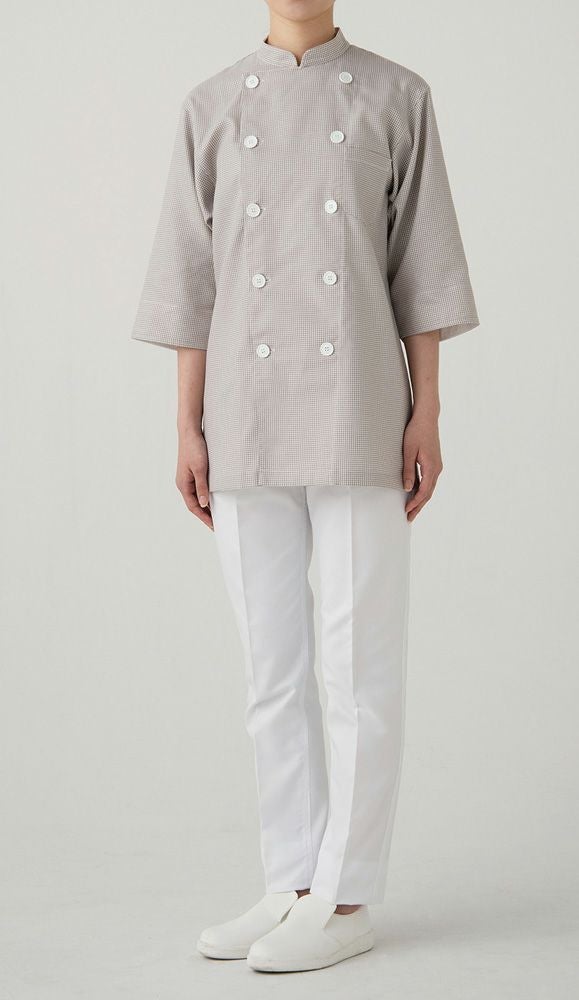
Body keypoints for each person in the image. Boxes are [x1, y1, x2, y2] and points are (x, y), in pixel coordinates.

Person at [130, 0, 479, 974]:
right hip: (243, 413)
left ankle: (348, 893)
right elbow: (190, 280)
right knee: (271, 667)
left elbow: (422, 270)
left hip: (360, 404)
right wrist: (186, 423)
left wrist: (427, 410)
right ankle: (291, 880)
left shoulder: (397, 97)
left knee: (357, 665)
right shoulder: (210, 106)